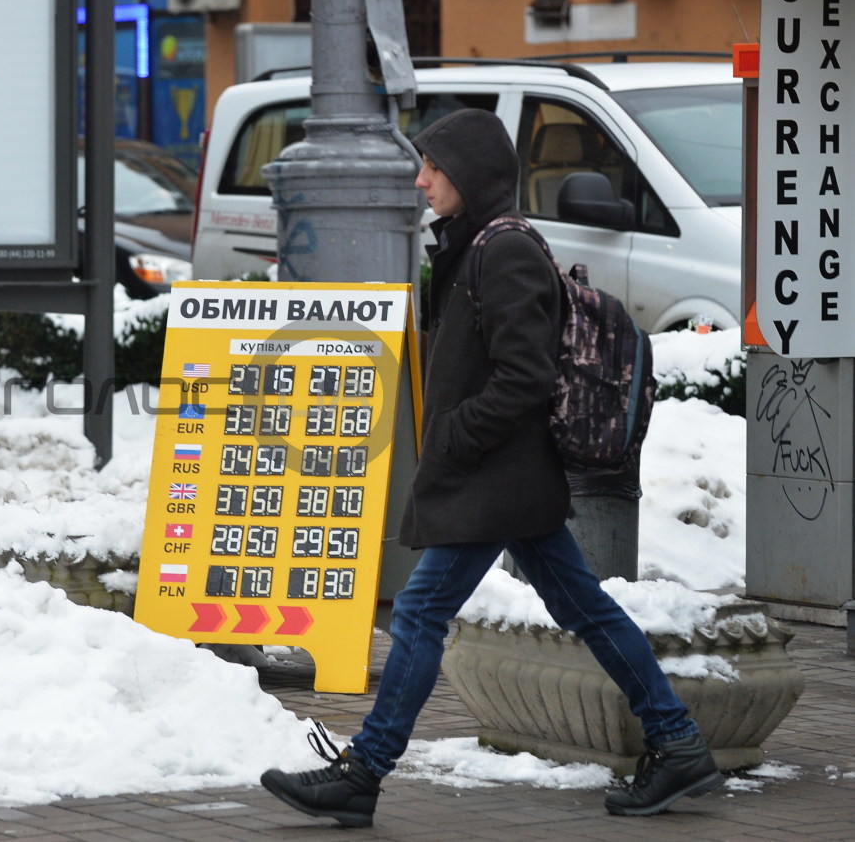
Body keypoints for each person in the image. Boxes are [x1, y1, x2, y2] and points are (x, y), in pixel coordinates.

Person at [259, 109, 723, 827]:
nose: (421, 181)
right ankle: (678, 740)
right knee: (585, 609)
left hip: (493, 476)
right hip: (505, 475)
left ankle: (365, 772)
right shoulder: (475, 244)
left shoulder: (502, 251)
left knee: (417, 614)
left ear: (468, 176)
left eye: (433, 169)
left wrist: (453, 437)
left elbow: (525, 377)